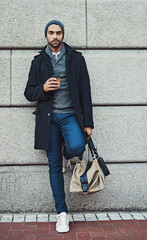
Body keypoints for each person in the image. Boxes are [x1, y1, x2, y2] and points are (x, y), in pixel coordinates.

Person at [24, 20, 94, 233]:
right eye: (51, 33)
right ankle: (62, 214)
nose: (55, 36)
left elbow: (85, 91)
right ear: (46, 36)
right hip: (48, 119)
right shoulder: (38, 61)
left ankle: (67, 154)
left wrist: (88, 122)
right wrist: (43, 88)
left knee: (77, 147)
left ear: (63, 35)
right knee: (53, 166)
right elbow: (28, 93)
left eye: (58, 32)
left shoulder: (76, 59)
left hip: (70, 115)